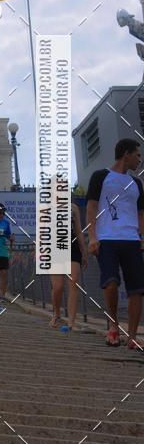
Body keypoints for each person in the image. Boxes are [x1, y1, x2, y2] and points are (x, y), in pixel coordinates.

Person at [86, 138, 144, 349]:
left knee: (136, 290)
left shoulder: (137, 183)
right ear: (126, 154)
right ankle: (113, 325)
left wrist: (142, 237)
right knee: (110, 282)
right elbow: (91, 207)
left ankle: (132, 336)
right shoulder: (101, 176)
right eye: (137, 155)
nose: (140, 159)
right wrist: (92, 236)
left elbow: (140, 214)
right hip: (107, 238)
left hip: (132, 240)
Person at [49, 201, 88, 331]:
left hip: (72, 246)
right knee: (58, 287)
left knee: (73, 282)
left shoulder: (74, 207)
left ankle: (71, 322)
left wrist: (84, 252)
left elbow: (78, 231)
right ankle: (57, 314)